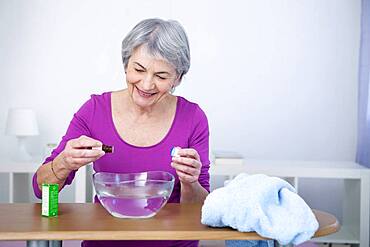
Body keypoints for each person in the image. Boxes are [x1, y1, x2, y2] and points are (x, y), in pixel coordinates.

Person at [32, 18, 210, 247]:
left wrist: (190, 182)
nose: (147, 84)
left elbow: (202, 210)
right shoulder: (94, 111)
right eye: (139, 69)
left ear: (178, 78)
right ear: (126, 64)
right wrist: (64, 163)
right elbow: (40, 189)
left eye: (161, 76)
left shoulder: (193, 117)